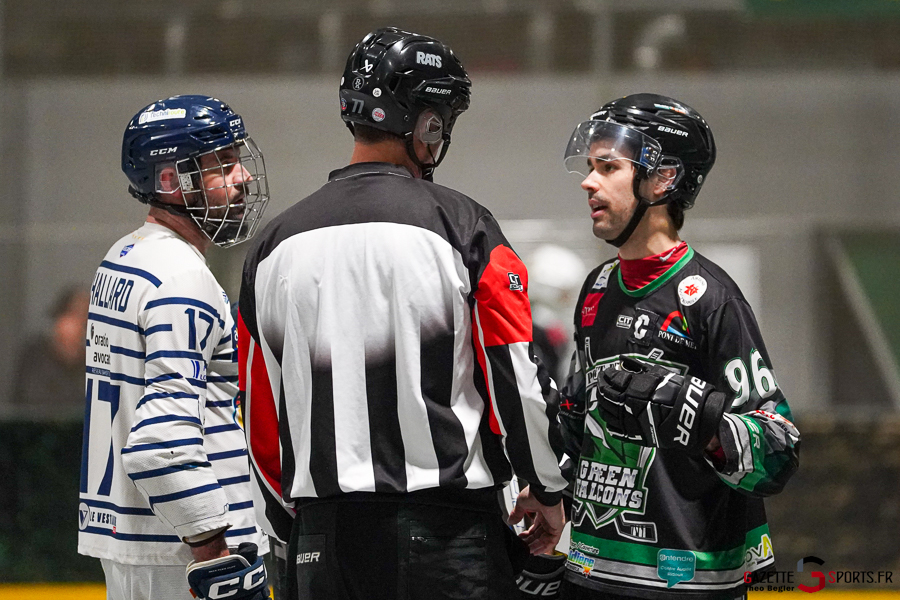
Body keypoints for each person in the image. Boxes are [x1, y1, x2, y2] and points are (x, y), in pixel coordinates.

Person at [237, 27, 567, 600]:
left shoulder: (271, 246)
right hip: (446, 533)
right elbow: (513, 371)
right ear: (426, 123)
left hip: (323, 535)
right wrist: (544, 486)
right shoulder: (464, 226)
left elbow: (259, 412)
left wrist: (292, 525)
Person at [556, 94, 801, 600]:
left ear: (663, 179)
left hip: (684, 579)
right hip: (591, 569)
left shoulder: (711, 297)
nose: (588, 181)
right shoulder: (596, 288)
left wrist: (704, 422)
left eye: (607, 166)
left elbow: (779, 449)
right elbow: (587, 438)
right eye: (589, 166)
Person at [78, 95, 271, 600]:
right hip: (186, 552)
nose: (243, 178)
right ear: (170, 181)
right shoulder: (182, 278)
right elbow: (161, 442)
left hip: (136, 537)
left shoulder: (121, 258)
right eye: (223, 165)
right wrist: (213, 553)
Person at [12, 285, 90, 415]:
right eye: (76, 315)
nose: (82, 325)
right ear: (59, 320)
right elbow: (23, 402)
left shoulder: (98, 362)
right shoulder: (35, 355)